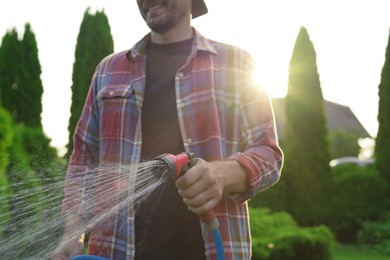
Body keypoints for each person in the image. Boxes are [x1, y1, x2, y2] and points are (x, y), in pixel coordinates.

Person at [51, 0, 283, 259]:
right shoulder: (108, 70)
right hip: (115, 251)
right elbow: (83, 161)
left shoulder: (236, 64)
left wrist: (221, 173)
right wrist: (73, 233)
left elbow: (269, 155)